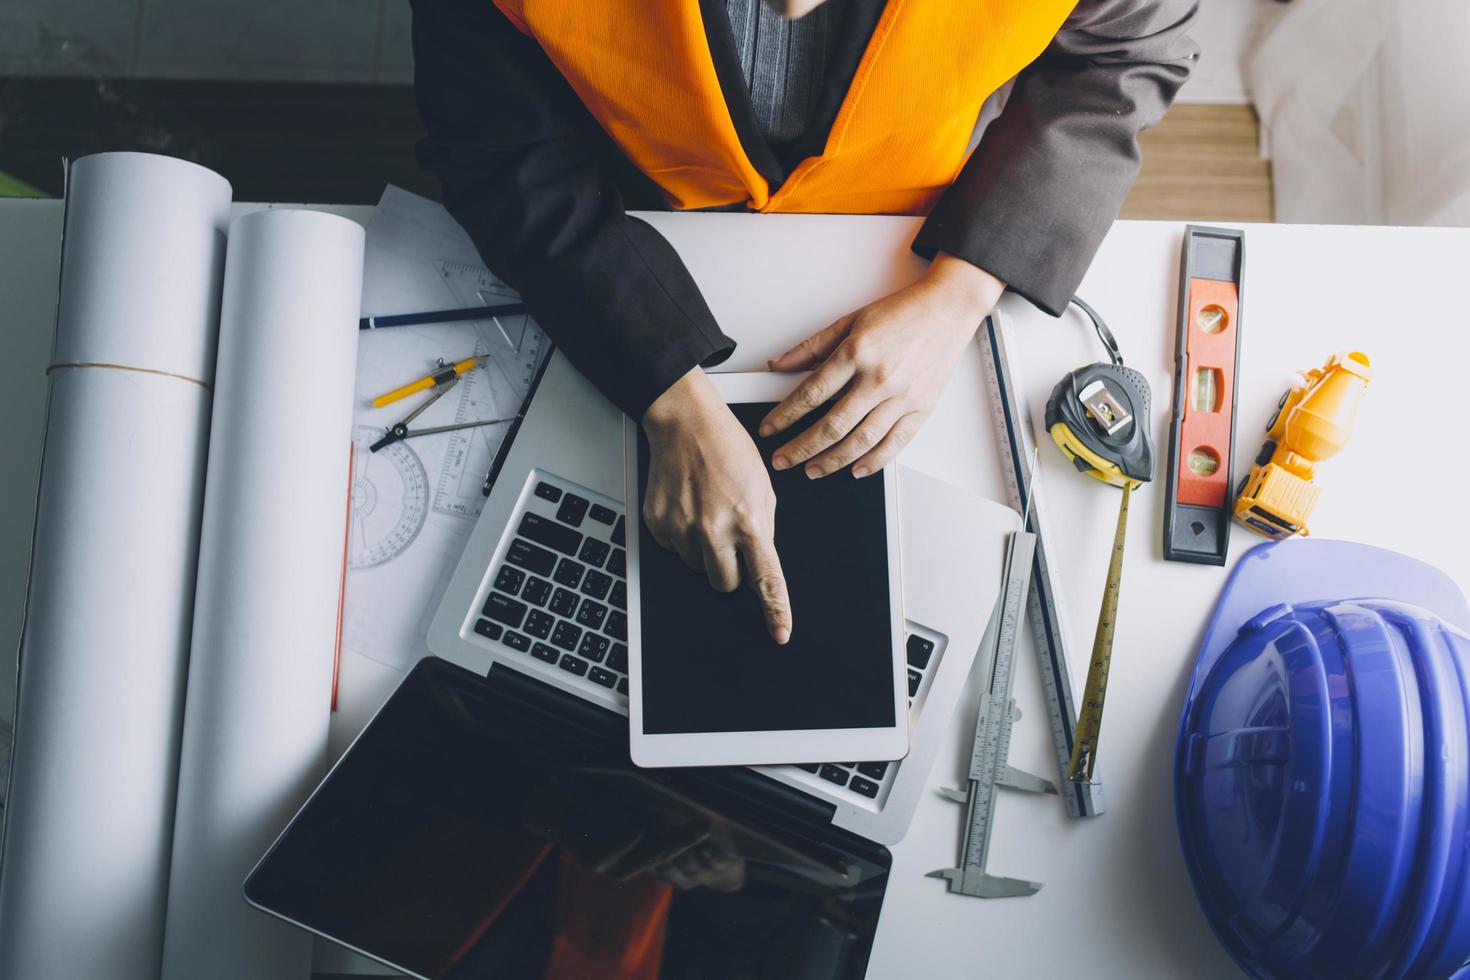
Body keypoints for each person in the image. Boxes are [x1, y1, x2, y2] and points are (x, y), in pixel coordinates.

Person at [411, 0, 1199, 645]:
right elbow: (498, 144)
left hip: (910, 230)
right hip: (637, 205)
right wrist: (666, 391)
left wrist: (963, 289)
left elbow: (1124, 60)